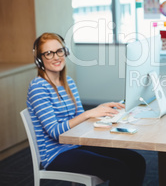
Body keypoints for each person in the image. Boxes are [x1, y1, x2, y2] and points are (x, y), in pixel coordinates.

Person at [27, 32, 146, 185]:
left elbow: (80, 120)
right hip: (56, 154)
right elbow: (55, 132)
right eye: (49, 53)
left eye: (59, 51)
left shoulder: (68, 82)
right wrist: (89, 113)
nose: (56, 57)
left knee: (136, 160)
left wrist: (100, 110)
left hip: (76, 145)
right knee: (118, 169)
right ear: (40, 59)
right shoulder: (38, 87)